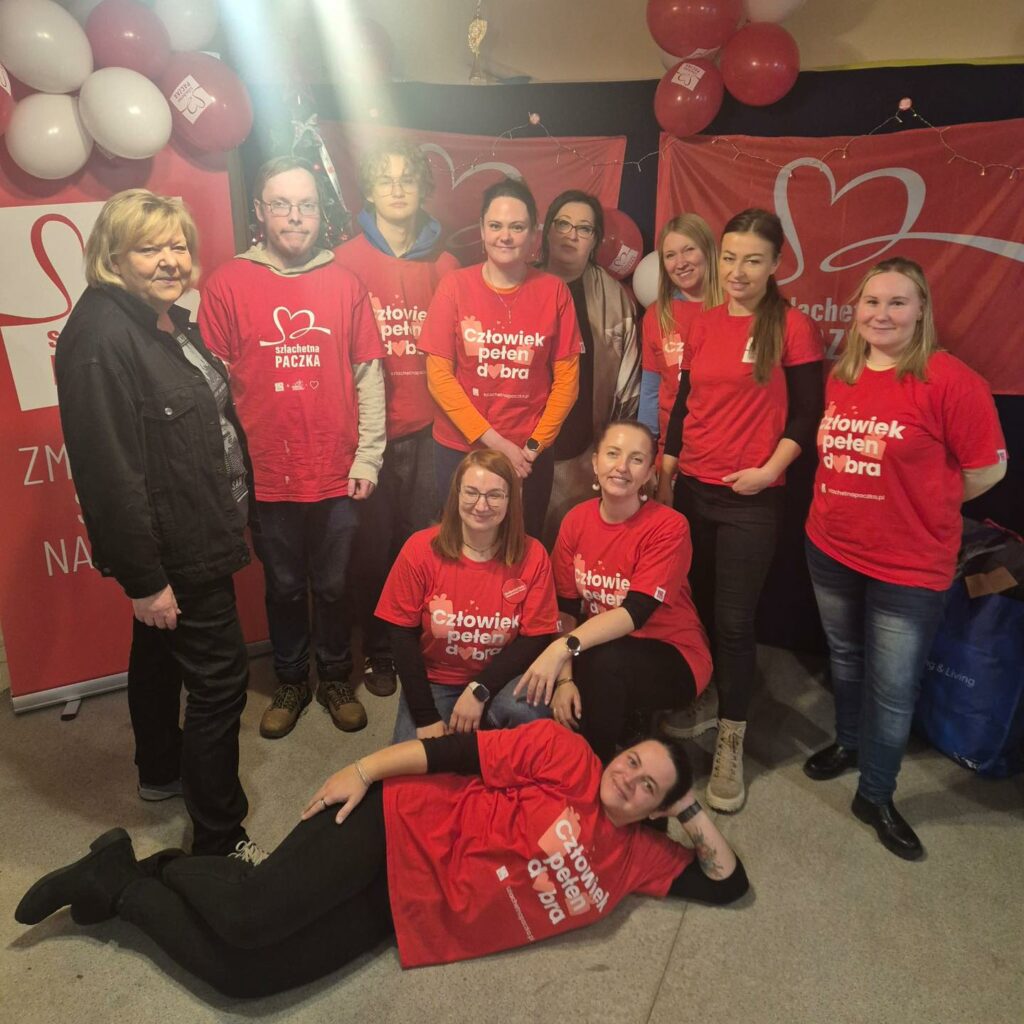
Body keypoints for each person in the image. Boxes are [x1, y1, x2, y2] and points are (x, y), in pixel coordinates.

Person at [15, 720, 749, 998]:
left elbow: (727, 883)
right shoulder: (567, 756)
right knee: (249, 915)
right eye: (632, 760)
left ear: (660, 809)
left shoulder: (639, 859)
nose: (626, 778)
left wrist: (690, 810)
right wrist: (362, 771)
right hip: (394, 825)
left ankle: (117, 881)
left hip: (409, 911)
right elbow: (453, 752)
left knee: (246, 978)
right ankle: (159, 869)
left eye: (647, 786)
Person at [54, 189, 260, 861]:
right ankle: (221, 840)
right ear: (112, 256)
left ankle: (161, 771)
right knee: (220, 680)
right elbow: (109, 474)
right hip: (181, 545)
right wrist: (146, 581)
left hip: (197, 523)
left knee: (159, 654)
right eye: (150, 248)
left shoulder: (161, 319)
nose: (171, 260)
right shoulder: (101, 340)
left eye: (178, 246)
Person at [802, 257, 1007, 860]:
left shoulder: (950, 380)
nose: (882, 314)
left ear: (921, 311)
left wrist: (925, 500)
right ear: (857, 310)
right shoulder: (843, 372)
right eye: (872, 302)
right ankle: (849, 742)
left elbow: (987, 470)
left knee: (893, 689)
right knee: (845, 658)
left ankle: (875, 794)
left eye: (897, 302)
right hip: (830, 545)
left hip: (909, 565)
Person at [199, 156, 386, 739]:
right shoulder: (226, 284)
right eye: (281, 204)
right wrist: (228, 471)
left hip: (336, 470)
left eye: (306, 204)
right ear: (260, 211)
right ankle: (290, 680)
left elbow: (368, 376)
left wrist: (369, 456)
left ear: (320, 212)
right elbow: (208, 389)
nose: (296, 216)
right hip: (266, 474)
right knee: (281, 586)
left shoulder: (346, 284)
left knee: (333, 585)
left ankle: (334, 677)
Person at [659, 208, 824, 813]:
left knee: (734, 622)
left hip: (751, 498)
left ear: (776, 263)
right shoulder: (702, 321)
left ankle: (732, 737)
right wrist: (667, 468)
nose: (737, 271)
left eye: (753, 260)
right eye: (729, 257)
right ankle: (707, 693)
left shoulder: (793, 326)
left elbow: (807, 414)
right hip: (692, 489)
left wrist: (768, 470)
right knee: (696, 608)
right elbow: (684, 401)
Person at [335, 138, 460, 699]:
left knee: (423, 544)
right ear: (369, 189)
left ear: (421, 188)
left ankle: (415, 641)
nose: (396, 188)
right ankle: (379, 648)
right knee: (371, 549)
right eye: (384, 179)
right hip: (369, 434)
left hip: (432, 431)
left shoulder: (446, 265)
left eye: (406, 178)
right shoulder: (345, 260)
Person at [517, 421, 712, 764]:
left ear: (649, 473)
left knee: (602, 664)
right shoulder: (576, 520)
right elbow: (564, 609)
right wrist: (564, 680)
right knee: (558, 661)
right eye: (612, 454)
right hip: (597, 644)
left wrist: (563, 649)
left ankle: (593, 772)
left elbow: (636, 613)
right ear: (595, 463)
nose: (622, 466)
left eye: (636, 459)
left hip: (672, 652)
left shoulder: (669, 526)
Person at [418, 177, 583, 540]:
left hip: (529, 455)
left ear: (534, 234)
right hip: (461, 448)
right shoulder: (454, 286)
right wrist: (497, 443)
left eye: (517, 227)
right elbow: (439, 378)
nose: (505, 236)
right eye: (495, 226)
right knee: (460, 545)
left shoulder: (554, 291)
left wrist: (532, 447)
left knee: (521, 545)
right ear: (481, 230)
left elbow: (568, 382)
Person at [377, 449, 560, 741]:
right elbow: (401, 634)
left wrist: (480, 688)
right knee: (411, 761)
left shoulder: (533, 554)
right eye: (471, 492)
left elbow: (536, 637)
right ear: (457, 494)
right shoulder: (419, 549)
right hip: (436, 680)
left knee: (534, 730)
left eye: (494, 495)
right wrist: (425, 716)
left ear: (511, 500)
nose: (481, 505)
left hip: (503, 679)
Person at [537, 190, 641, 546]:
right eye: (563, 224)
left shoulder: (613, 298)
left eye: (584, 228)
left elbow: (628, 386)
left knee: (574, 554)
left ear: (595, 239)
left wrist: (612, 452)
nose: (572, 235)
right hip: (520, 451)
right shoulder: (520, 283)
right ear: (547, 230)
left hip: (584, 455)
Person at [638, 213, 721, 457]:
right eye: (670, 255)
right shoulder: (657, 315)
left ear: (708, 250)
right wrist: (645, 447)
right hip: (673, 449)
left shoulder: (735, 307)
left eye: (689, 250)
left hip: (724, 446)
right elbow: (651, 389)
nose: (680, 263)